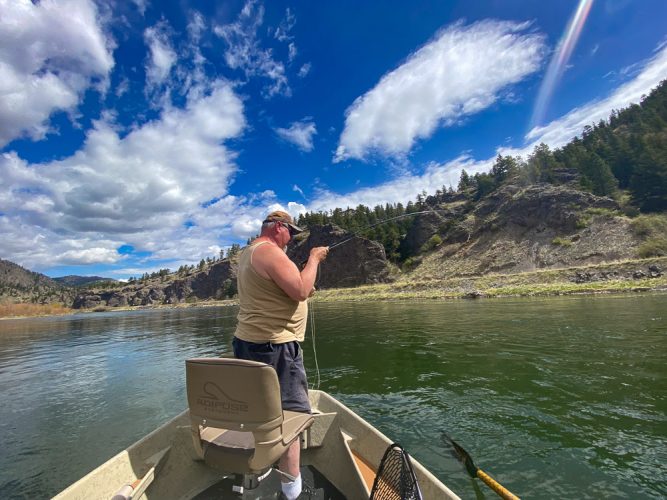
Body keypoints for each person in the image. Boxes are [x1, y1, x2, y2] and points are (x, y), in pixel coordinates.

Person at [232, 210, 328, 500]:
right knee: (291, 420)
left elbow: (285, 291)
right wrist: (313, 259)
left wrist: (300, 280)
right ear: (277, 228)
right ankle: (292, 493)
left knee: (261, 414)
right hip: (275, 349)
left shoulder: (250, 253)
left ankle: (260, 465)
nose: (292, 237)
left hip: (249, 343)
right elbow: (300, 290)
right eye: (291, 232)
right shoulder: (270, 252)